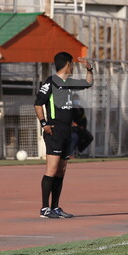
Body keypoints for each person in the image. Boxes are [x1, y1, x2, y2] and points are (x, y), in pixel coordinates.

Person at [33, 53, 93, 219]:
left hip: (67, 130)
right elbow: (38, 103)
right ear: (68, 64)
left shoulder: (68, 83)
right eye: (72, 63)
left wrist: (89, 68)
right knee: (51, 169)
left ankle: (55, 207)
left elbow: (89, 83)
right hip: (55, 131)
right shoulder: (51, 81)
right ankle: (45, 209)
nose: (73, 67)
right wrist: (44, 124)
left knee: (61, 171)